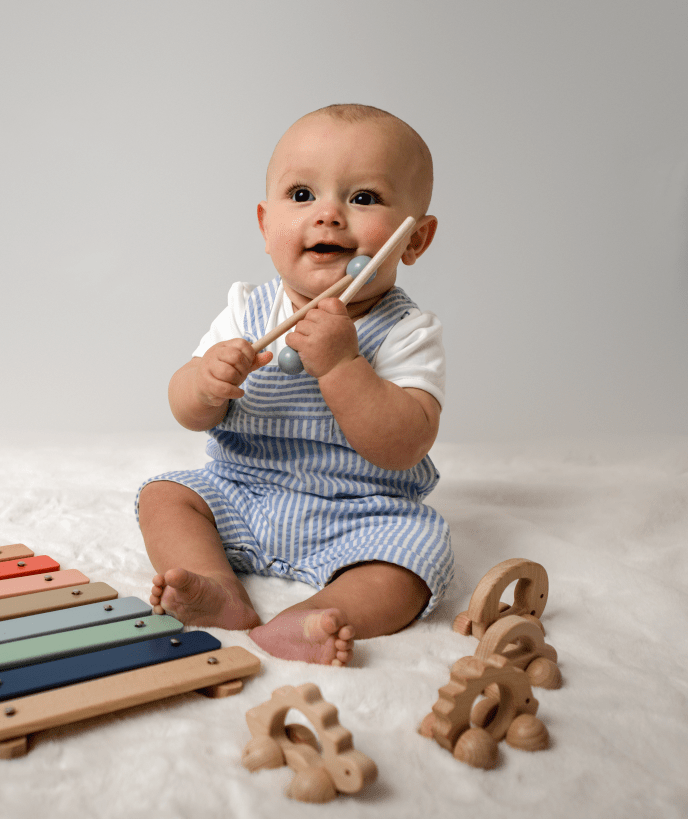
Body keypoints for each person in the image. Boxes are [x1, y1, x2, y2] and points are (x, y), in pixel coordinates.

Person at [136, 104, 453, 666]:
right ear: (265, 226)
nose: (328, 214)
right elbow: (186, 409)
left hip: (360, 514)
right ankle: (218, 588)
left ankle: (317, 615)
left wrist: (341, 367)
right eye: (302, 195)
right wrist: (205, 382)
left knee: (416, 558)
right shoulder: (246, 310)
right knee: (166, 496)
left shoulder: (407, 332)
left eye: (364, 198)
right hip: (245, 493)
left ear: (415, 240)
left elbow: (404, 445)